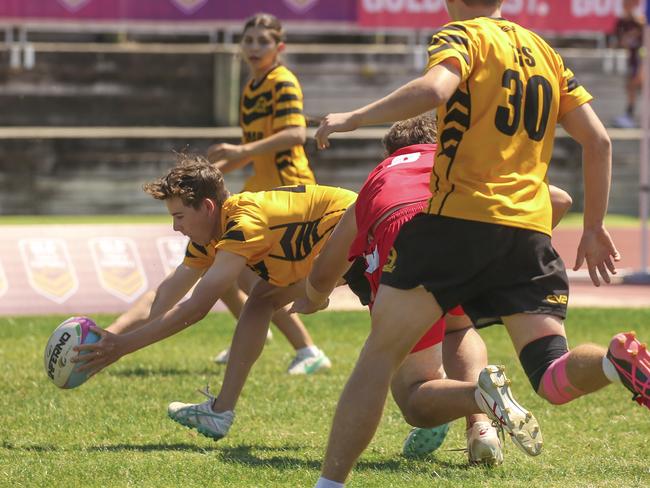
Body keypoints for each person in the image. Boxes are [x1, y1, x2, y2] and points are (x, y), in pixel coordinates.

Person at [313, 1, 649, 486]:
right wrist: (593, 227)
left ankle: (329, 483)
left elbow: (434, 89)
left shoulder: (463, 35)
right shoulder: (544, 52)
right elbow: (599, 142)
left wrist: (354, 117)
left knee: (381, 354)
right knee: (551, 374)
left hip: (459, 221)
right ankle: (614, 362)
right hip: (529, 231)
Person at [292, 114, 573, 465]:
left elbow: (324, 271)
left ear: (390, 154)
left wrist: (313, 299)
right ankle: (480, 429)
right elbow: (559, 199)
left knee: (413, 396)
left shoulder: (380, 177)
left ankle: (480, 400)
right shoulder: (462, 160)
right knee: (458, 325)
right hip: (466, 226)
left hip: (407, 238)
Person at [73, 156, 357, 442]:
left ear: (207, 207)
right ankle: (220, 411)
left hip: (356, 231)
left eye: (179, 216)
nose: (175, 227)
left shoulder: (244, 224)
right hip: (342, 240)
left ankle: (221, 411)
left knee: (265, 299)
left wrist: (123, 347)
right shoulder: (213, 231)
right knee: (262, 299)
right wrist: (108, 338)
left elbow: (196, 308)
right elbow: (165, 295)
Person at [205, 13, 323, 368]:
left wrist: (240, 153)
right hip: (261, 191)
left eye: (263, 42)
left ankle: (307, 350)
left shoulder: (282, 81)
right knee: (219, 262)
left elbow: (295, 135)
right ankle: (253, 331)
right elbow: (252, 149)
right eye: (249, 41)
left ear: (279, 48)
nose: (254, 47)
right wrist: (206, 176)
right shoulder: (251, 88)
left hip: (290, 191)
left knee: (251, 275)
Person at [611, 0, 645, 129]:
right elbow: (618, 41)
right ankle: (630, 116)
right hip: (632, 60)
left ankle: (633, 117)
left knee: (636, 85)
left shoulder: (641, 22)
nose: (628, 6)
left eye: (631, 3)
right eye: (626, 3)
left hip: (643, 61)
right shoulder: (622, 22)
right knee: (631, 87)